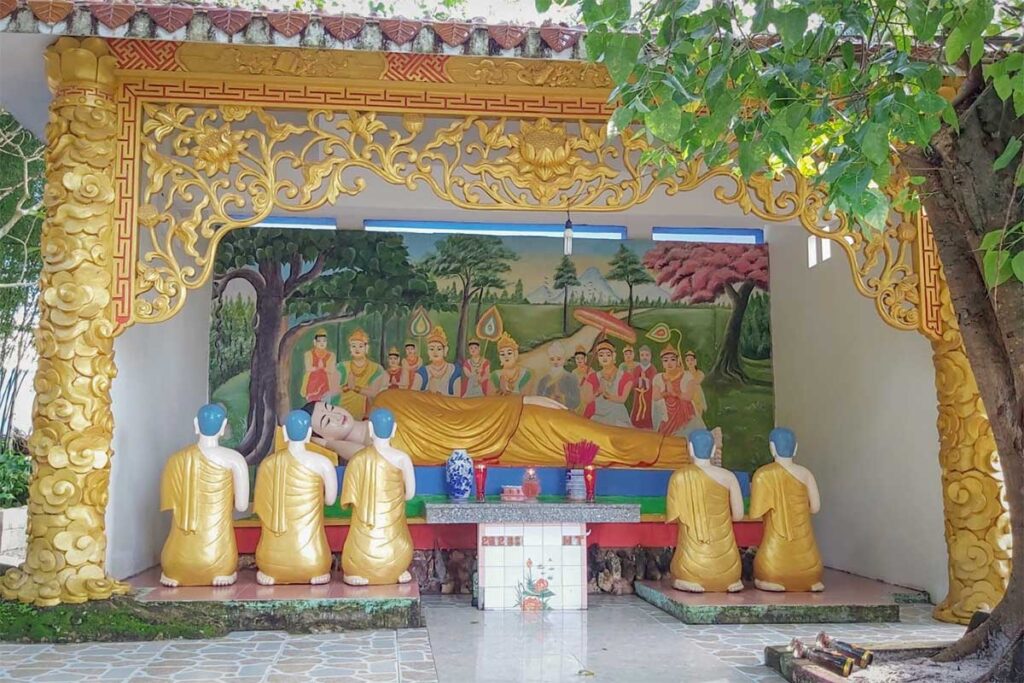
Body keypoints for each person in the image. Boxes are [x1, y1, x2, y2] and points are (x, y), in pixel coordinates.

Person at [300, 389, 689, 468]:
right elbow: (363, 458)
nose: (336, 416)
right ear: (323, 436)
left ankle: (683, 450)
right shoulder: (374, 456)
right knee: (595, 459)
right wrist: (323, 444)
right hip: (502, 456)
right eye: (326, 421)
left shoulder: (390, 399)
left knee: (602, 438)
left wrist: (524, 400)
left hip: (512, 422)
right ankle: (680, 455)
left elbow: (459, 405)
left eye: (331, 408)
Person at [160, 404, 249, 587]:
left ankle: (175, 574)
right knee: (223, 562)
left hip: (175, 562)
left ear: (196, 424)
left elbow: (170, 506)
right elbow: (242, 506)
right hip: (217, 559)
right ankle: (221, 573)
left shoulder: (176, 460)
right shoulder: (234, 460)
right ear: (223, 427)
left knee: (174, 552)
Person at [253, 410, 337, 585]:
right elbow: (330, 500)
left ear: (284, 432)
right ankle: (315, 572)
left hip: (271, 561)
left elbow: (260, 508)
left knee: (270, 554)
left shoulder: (268, 464)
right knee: (316, 559)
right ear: (309, 433)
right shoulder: (323, 463)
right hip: (313, 560)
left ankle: (270, 571)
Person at [340, 407, 415, 586]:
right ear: (394, 429)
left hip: (363, 538)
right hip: (395, 543)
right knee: (401, 547)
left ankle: (355, 572)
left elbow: (348, 499)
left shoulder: (357, 459)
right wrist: (394, 501)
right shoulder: (402, 458)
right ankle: (397, 570)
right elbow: (410, 494)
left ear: (370, 429)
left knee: (355, 553)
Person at [666, 429, 744, 593]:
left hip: (691, 567)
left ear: (690, 449)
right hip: (729, 568)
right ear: (714, 449)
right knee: (730, 569)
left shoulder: (679, 477)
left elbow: (674, 517)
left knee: (681, 567)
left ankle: (687, 581)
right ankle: (730, 582)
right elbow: (738, 515)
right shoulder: (729, 477)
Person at [749, 428, 824, 592]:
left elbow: (755, 514)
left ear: (772, 448)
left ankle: (772, 580)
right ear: (795, 448)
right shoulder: (806, 474)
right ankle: (810, 581)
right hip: (809, 564)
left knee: (767, 565)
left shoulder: (763, 475)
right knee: (811, 563)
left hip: (774, 563)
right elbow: (815, 508)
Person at [653, 345, 704, 437]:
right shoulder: (658, 378)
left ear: (677, 361)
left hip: (684, 414)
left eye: (672, 360)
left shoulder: (687, 376)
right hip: (667, 415)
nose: (669, 363)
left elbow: (689, 396)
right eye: (665, 360)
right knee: (665, 439)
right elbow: (655, 396)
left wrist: (675, 393)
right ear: (662, 363)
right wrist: (666, 393)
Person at [338, 328, 384, 420]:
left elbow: (375, 393)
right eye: (353, 346)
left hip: (365, 412)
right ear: (350, 348)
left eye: (360, 346)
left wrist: (356, 388)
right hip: (343, 410)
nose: (357, 349)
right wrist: (346, 387)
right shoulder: (341, 367)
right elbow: (332, 391)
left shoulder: (376, 369)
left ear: (366, 348)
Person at [592, 339, 634, 428]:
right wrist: (597, 392)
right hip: (599, 416)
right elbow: (586, 399)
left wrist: (606, 395)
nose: (604, 358)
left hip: (617, 415)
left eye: (608, 355)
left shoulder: (626, 376)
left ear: (613, 356)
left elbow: (622, 399)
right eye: (601, 355)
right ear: (597, 357)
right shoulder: (593, 376)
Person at [413, 326, 461, 395]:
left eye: (439, 349)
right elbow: (413, 395)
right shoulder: (422, 372)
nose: (435, 352)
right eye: (431, 349)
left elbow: (457, 396)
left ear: (445, 350)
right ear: (428, 351)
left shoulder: (454, 370)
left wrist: (440, 395)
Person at [535, 341, 580, 411]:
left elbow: (576, 400)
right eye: (552, 359)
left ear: (564, 360)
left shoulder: (571, 377)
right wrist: (550, 398)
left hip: (566, 412)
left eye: (559, 359)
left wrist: (563, 398)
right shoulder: (544, 380)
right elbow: (539, 398)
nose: (555, 362)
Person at [300, 329, 340, 403]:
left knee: (325, 405)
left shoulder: (331, 355)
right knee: (312, 406)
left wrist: (320, 368)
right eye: (319, 341)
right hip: (312, 385)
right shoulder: (309, 354)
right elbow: (308, 368)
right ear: (315, 342)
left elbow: (331, 370)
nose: (322, 343)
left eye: (324, 341)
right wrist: (321, 368)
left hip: (325, 385)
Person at [631, 345, 656, 429]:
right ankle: (635, 423)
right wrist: (640, 380)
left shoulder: (652, 369)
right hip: (638, 394)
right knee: (637, 407)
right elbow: (633, 381)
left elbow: (653, 382)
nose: (644, 357)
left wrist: (645, 379)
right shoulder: (637, 368)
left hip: (648, 395)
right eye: (642, 355)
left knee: (648, 409)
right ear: (639, 356)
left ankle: (647, 424)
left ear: (650, 356)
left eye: (647, 355)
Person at [571, 345, 598, 419]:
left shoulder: (590, 370)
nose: (579, 360)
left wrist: (588, 379)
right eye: (577, 358)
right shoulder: (574, 372)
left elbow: (596, 385)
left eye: (581, 358)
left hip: (588, 397)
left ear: (585, 359)